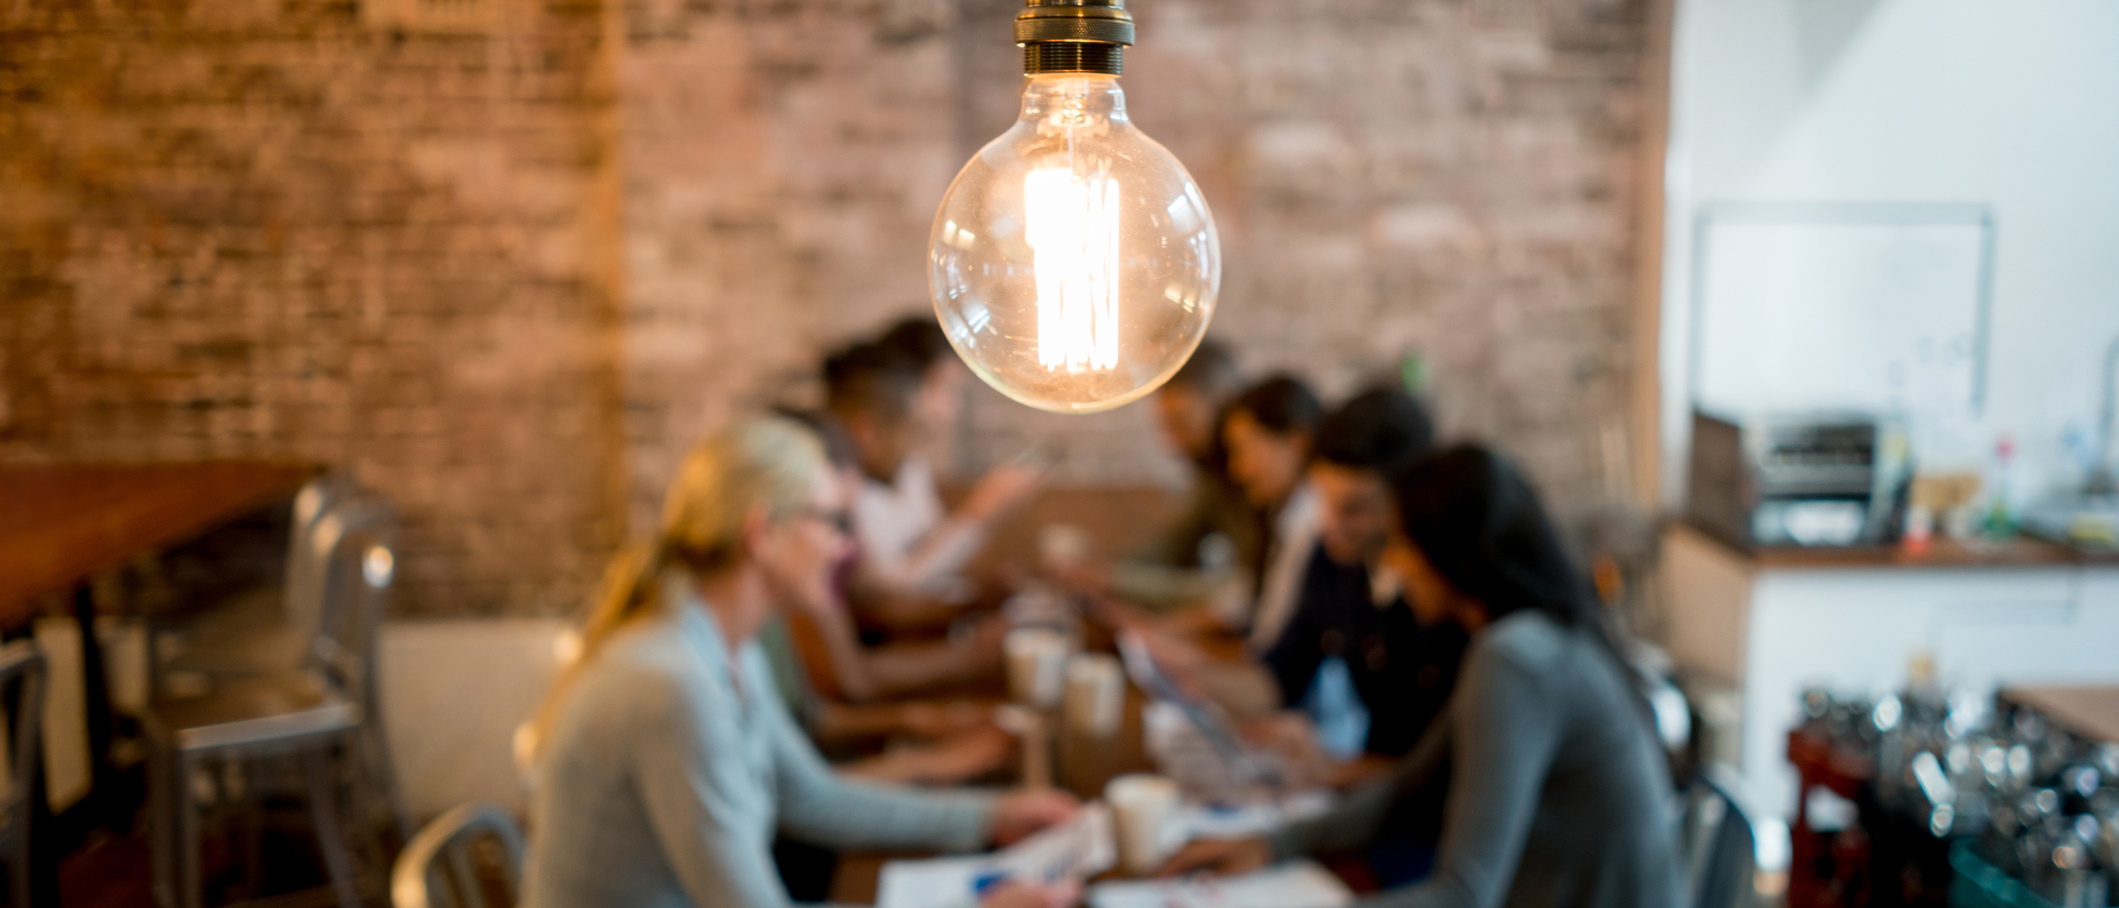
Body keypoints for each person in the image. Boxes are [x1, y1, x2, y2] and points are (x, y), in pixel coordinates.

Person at [522, 417, 1078, 908]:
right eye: (835, 521)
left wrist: (991, 817)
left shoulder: (726, 646)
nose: (846, 548)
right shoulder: (674, 683)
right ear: (763, 533)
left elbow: (811, 797)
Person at [1158, 445, 1684, 908]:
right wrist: (1273, 845)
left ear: (1449, 553)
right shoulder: (1531, 638)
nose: (1395, 565)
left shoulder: (1515, 660)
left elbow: (1462, 895)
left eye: (1402, 545)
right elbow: (1408, 791)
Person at [1258, 388, 1468, 782]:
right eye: (1323, 500)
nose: (1330, 526)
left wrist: (1333, 769)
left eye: (1354, 509)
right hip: (1371, 797)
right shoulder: (1334, 561)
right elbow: (1283, 671)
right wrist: (1184, 673)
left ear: (1411, 498)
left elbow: (1456, 776)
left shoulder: (1451, 599)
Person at [825, 341, 1040, 629]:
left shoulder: (907, 468)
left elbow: (932, 550)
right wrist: (979, 512)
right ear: (866, 432)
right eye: (944, 388)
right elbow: (886, 595)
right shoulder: (840, 491)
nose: (949, 408)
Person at [1103, 337, 1262, 612]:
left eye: (1182, 423)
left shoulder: (1258, 482)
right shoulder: (1214, 478)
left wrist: (1117, 580)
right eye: (1166, 426)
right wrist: (1107, 571)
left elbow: (1241, 593)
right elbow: (1174, 543)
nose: (1172, 442)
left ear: (1225, 404)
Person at [1219, 374, 1324, 650]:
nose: (1237, 469)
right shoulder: (1281, 515)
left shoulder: (1314, 523)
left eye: (1243, 450)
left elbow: (1272, 646)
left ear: (1297, 441)